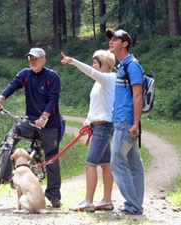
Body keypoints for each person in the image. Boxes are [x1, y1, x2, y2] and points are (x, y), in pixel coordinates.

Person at [0, 47, 63, 208]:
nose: (33, 61)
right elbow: (12, 85)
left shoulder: (52, 76)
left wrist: (44, 116)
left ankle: (53, 195)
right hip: (30, 123)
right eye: (30, 58)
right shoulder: (25, 74)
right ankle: (7, 175)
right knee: (9, 139)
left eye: (36, 58)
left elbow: (53, 99)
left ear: (44, 60)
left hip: (49, 123)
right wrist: (0, 99)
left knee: (51, 159)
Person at [60, 50, 116, 212]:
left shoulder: (109, 79)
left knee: (90, 163)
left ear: (103, 65)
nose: (92, 66)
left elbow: (90, 72)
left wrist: (73, 61)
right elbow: (97, 105)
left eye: (95, 63)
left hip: (103, 127)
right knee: (105, 163)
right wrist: (88, 121)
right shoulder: (100, 82)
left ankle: (88, 201)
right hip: (98, 126)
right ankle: (106, 200)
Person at [106, 29, 145, 215]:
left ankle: (132, 205)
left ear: (125, 43)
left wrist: (135, 123)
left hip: (126, 122)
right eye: (110, 39)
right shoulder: (122, 66)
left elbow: (138, 95)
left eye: (115, 39)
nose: (111, 42)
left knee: (116, 162)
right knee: (133, 163)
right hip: (121, 121)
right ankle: (135, 205)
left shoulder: (132, 66)